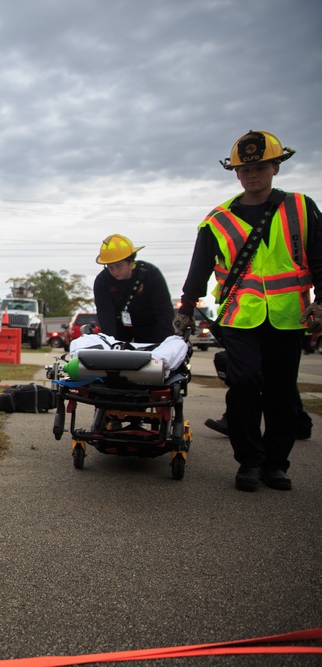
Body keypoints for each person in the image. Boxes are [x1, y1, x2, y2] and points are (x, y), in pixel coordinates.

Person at [174, 130, 322, 492]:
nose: (252, 174)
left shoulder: (301, 207)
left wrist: (320, 302)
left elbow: (319, 258)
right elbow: (199, 269)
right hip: (240, 316)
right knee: (243, 383)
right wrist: (187, 308)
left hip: (288, 316)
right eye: (244, 169)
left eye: (259, 166)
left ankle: (276, 465)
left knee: (282, 392)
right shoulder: (219, 219)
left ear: (275, 168)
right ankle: (250, 462)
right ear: (236, 174)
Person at [93, 234, 175, 344]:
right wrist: (109, 344)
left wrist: (168, 343)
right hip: (119, 327)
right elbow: (105, 314)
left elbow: (164, 310)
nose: (115, 272)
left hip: (150, 326)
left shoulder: (151, 274)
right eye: (110, 267)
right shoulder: (102, 281)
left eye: (119, 266)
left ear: (131, 262)